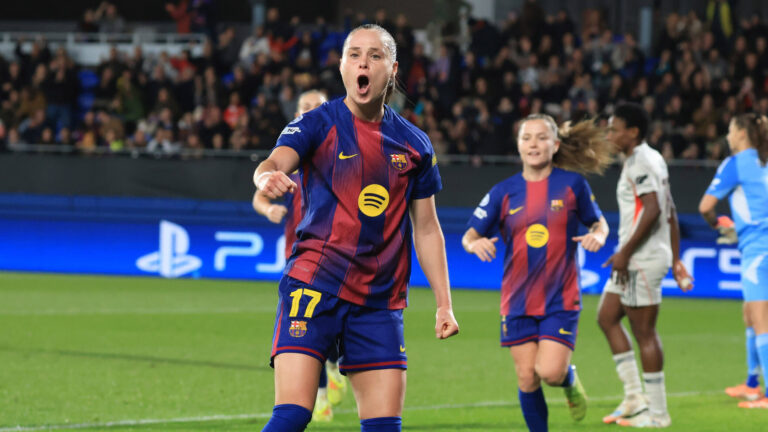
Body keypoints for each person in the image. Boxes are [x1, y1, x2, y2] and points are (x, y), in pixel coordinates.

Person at [253, 24, 460, 432]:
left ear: (393, 68)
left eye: (375, 55)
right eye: (353, 54)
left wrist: (444, 302)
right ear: (343, 67)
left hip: (379, 303)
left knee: (384, 427)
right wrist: (265, 178)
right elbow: (274, 162)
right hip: (313, 287)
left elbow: (427, 228)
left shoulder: (415, 144)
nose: (363, 62)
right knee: (293, 414)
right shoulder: (317, 123)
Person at [463, 113, 612, 432]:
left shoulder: (573, 185)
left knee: (550, 372)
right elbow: (469, 235)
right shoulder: (503, 192)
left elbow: (598, 222)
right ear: (518, 146)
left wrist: (598, 236)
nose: (533, 144)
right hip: (517, 300)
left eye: (541, 137)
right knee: (526, 376)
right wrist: (474, 245)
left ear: (555, 144)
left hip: (561, 297)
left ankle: (568, 379)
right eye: (526, 137)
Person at [251, 89, 349, 422]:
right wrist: (268, 210)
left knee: (333, 328)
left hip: (336, 260)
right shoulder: (289, 158)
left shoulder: (340, 155)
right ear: (295, 114)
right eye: (304, 107)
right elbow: (259, 195)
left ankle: (335, 363)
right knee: (306, 330)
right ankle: (320, 395)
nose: (309, 112)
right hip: (299, 261)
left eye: (316, 107)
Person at [598, 103, 693, 428]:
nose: (609, 134)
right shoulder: (649, 159)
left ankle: (658, 415)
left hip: (641, 258)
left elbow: (653, 209)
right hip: (640, 254)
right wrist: (677, 258)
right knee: (607, 317)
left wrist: (624, 253)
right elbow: (671, 209)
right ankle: (634, 396)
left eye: (614, 128)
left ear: (633, 132)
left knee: (644, 333)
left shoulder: (640, 161)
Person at [699, 112, 768, 408]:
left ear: (741, 133)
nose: (728, 136)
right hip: (760, 246)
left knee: (762, 321)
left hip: (759, 250)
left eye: (730, 130)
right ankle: (752, 383)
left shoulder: (735, 164)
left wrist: (720, 226)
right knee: (750, 314)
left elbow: (705, 207)